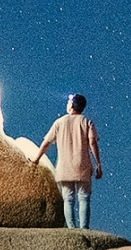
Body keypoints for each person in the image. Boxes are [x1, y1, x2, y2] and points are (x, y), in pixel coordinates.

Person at [35, 93, 102, 229]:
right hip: (82, 165)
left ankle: (71, 228)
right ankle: (84, 228)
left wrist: (36, 159)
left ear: (71, 105)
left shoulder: (59, 122)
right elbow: (92, 143)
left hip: (64, 166)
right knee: (84, 197)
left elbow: (46, 143)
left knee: (68, 199)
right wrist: (98, 164)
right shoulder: (86, 122)